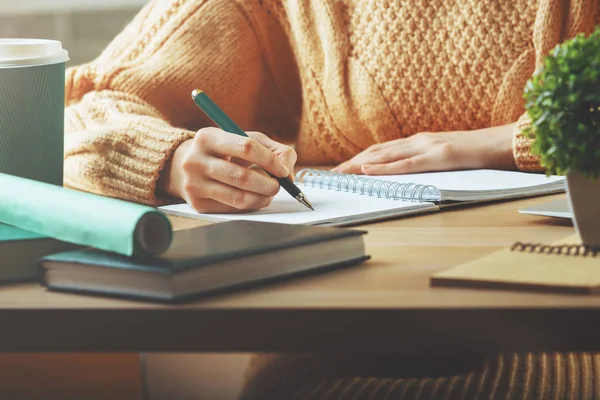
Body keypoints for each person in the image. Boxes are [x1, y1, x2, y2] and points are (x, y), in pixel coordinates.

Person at [63, 0, 600, 398]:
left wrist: (511, 140)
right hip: (328, 330)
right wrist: (176, 161)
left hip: (562, 328)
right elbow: (89, 106)